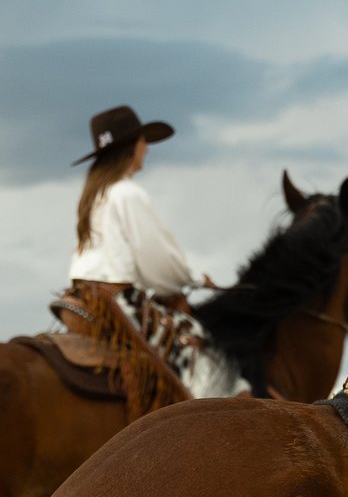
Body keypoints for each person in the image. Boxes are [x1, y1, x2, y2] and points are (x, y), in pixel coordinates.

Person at [65, 104, 245, 399]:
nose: (146, 149)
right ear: (130, 146)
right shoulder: (127, 193)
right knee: (207, 359)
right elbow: (159, 263)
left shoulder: (94, 195)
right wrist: (192, 279)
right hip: (117, 299)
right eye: (142, 141)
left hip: (83, 294)